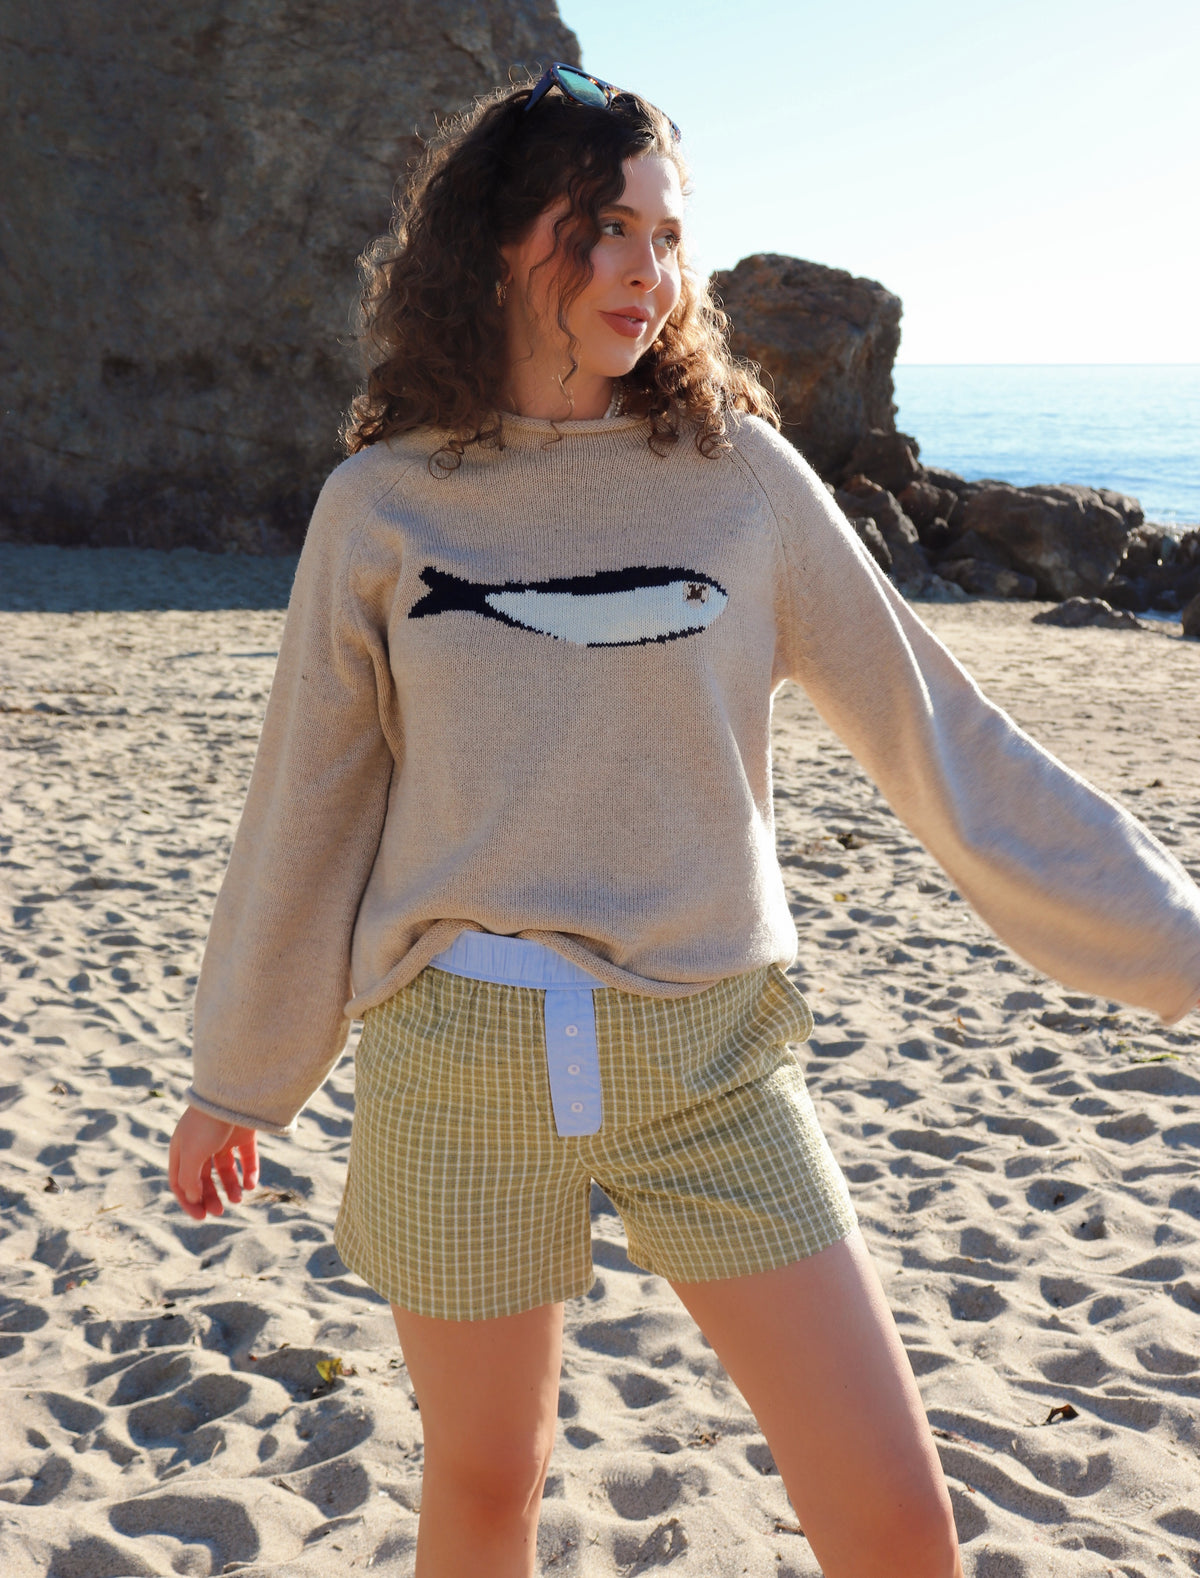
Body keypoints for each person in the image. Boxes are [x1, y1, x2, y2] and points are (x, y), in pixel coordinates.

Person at [167, 63, 1200, 1578]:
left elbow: (942, 737)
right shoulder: (382, 508)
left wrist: (1177, 942)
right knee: (484, 1485)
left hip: (714, 1056)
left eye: (663, 234)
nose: (643, 270)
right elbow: (307, 808)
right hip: (459, 1060)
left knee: (900, 1518)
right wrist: (239, 1078)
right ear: (500, 243)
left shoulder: (742, 482)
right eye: (602, 227)